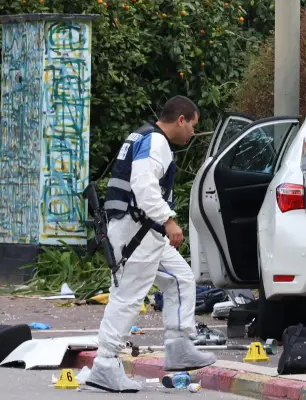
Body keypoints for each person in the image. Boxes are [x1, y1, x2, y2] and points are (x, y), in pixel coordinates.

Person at [87, 96, 216, 392]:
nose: (193, 132)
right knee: (128, 297)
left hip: (140, 233)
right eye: (193, 125)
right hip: (138, 234)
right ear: (181, 119)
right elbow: (144, 187)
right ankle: (105, 364)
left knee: (180, 280)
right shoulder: (156, 143)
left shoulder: (143, 136)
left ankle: (179, 346)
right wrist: (168, 219)